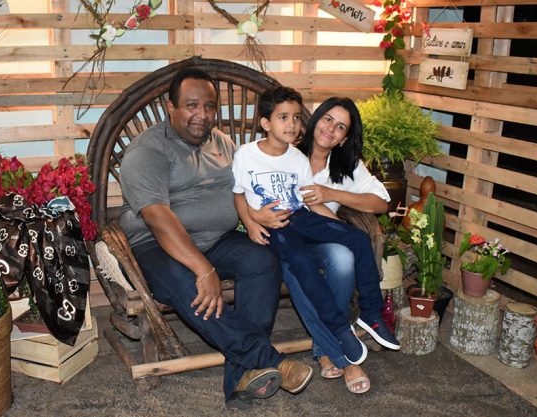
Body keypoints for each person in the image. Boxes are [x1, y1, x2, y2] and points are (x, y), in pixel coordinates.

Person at [118, 68, 313, 410]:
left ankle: (239, 380)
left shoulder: (223, 143)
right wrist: (203, 269)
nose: (202, 114)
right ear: (171, 107)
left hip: (218, 239)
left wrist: (257, 217)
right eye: (192, 105)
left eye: (209, 106)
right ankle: (269, 359)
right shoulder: (147, 150)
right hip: (158, 246)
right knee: (187, 282)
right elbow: (158, 219)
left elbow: (245, 191)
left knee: (262, 260)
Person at [236, 90, 399, 394]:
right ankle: (340, 354)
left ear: (344, 138)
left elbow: (380, 202)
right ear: (314, 120)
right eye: (327, 119)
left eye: (340, 127)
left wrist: (333, 197)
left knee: (343, 255)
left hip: (315, 231)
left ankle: (363, 320)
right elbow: (242, 192)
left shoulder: (344, 165)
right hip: (281, 233)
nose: (330, 129)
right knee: (300, 266)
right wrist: (253, 219)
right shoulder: (285, 146)